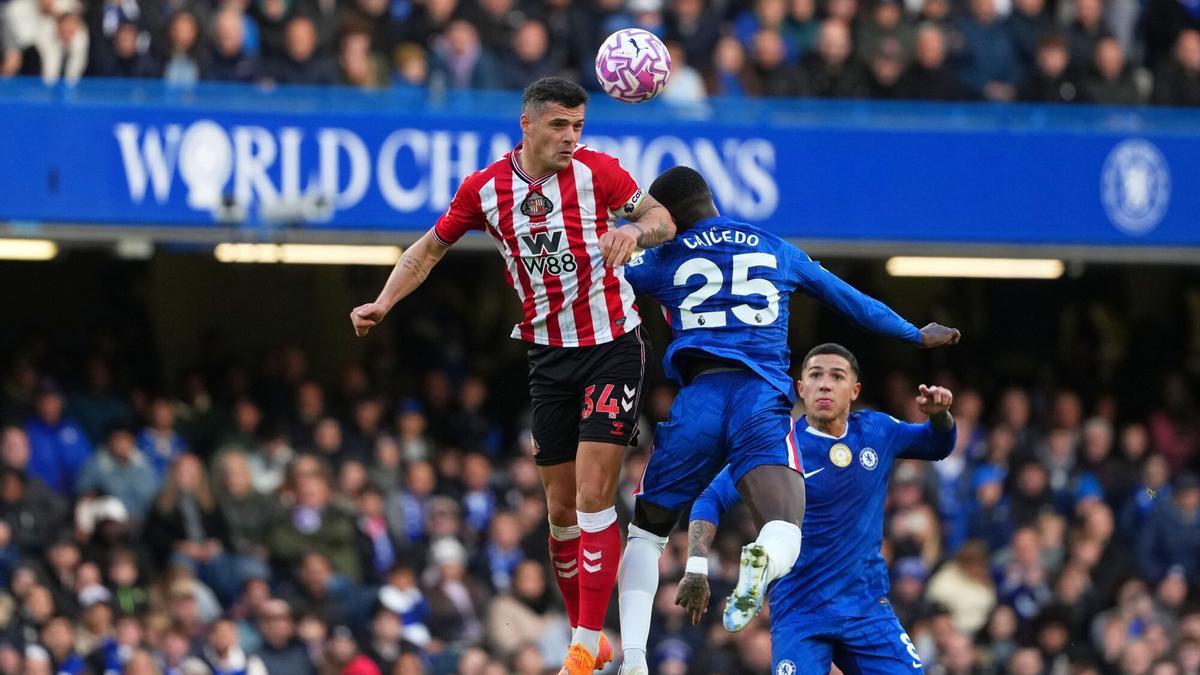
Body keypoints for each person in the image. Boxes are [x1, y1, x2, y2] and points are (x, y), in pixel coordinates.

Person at [349, 76, 676, 674]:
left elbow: (662, 218)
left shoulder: (600, 172)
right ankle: (590, 636)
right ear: (526, 125)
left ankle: (582, 640)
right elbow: (426, 250)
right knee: (558, 511)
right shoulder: (485, 189)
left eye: (578, 126)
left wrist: (633, 228)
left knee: (593, 493)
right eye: (559, 125)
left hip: (612, 344)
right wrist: (383, 302)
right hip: (548, 357)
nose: (571, 138)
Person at [616, 167, 959, 674]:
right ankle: (765, 560)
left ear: (665, 215)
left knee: (645, 534)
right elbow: (849, 300)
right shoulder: (776, 248)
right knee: (784, 527)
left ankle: (634, 660)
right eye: (816, 375)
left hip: (700, 400)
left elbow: (602, 273)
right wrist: (912, 333)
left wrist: (616, 224)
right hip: (761, 400)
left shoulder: (663, 258)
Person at [679, 343, 957, 673]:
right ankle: (765, 563)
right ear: (801, 388)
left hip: (866, 608)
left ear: (854, 390)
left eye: (836, 376)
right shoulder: (773, 447)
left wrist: (940, 416)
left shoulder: (878, 431)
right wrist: (696, 566)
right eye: (815, 375)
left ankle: (764, 562)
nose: (824, 384)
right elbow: (710, 498)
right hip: (800, 612)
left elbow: (936, 445)